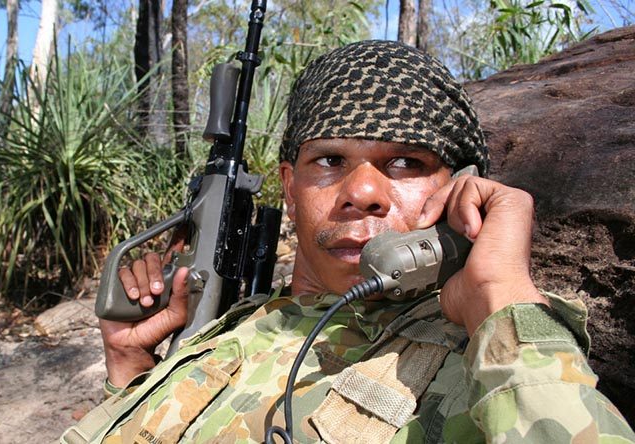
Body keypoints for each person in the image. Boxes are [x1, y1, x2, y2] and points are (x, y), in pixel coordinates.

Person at [60, 40, 635, 444]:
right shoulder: (232, 325)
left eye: (405, 162)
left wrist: (500, 296)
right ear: (290, 185)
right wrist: (131, 367)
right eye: (330, 160)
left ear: (462, 189)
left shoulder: (491, 363)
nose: (362, 191)